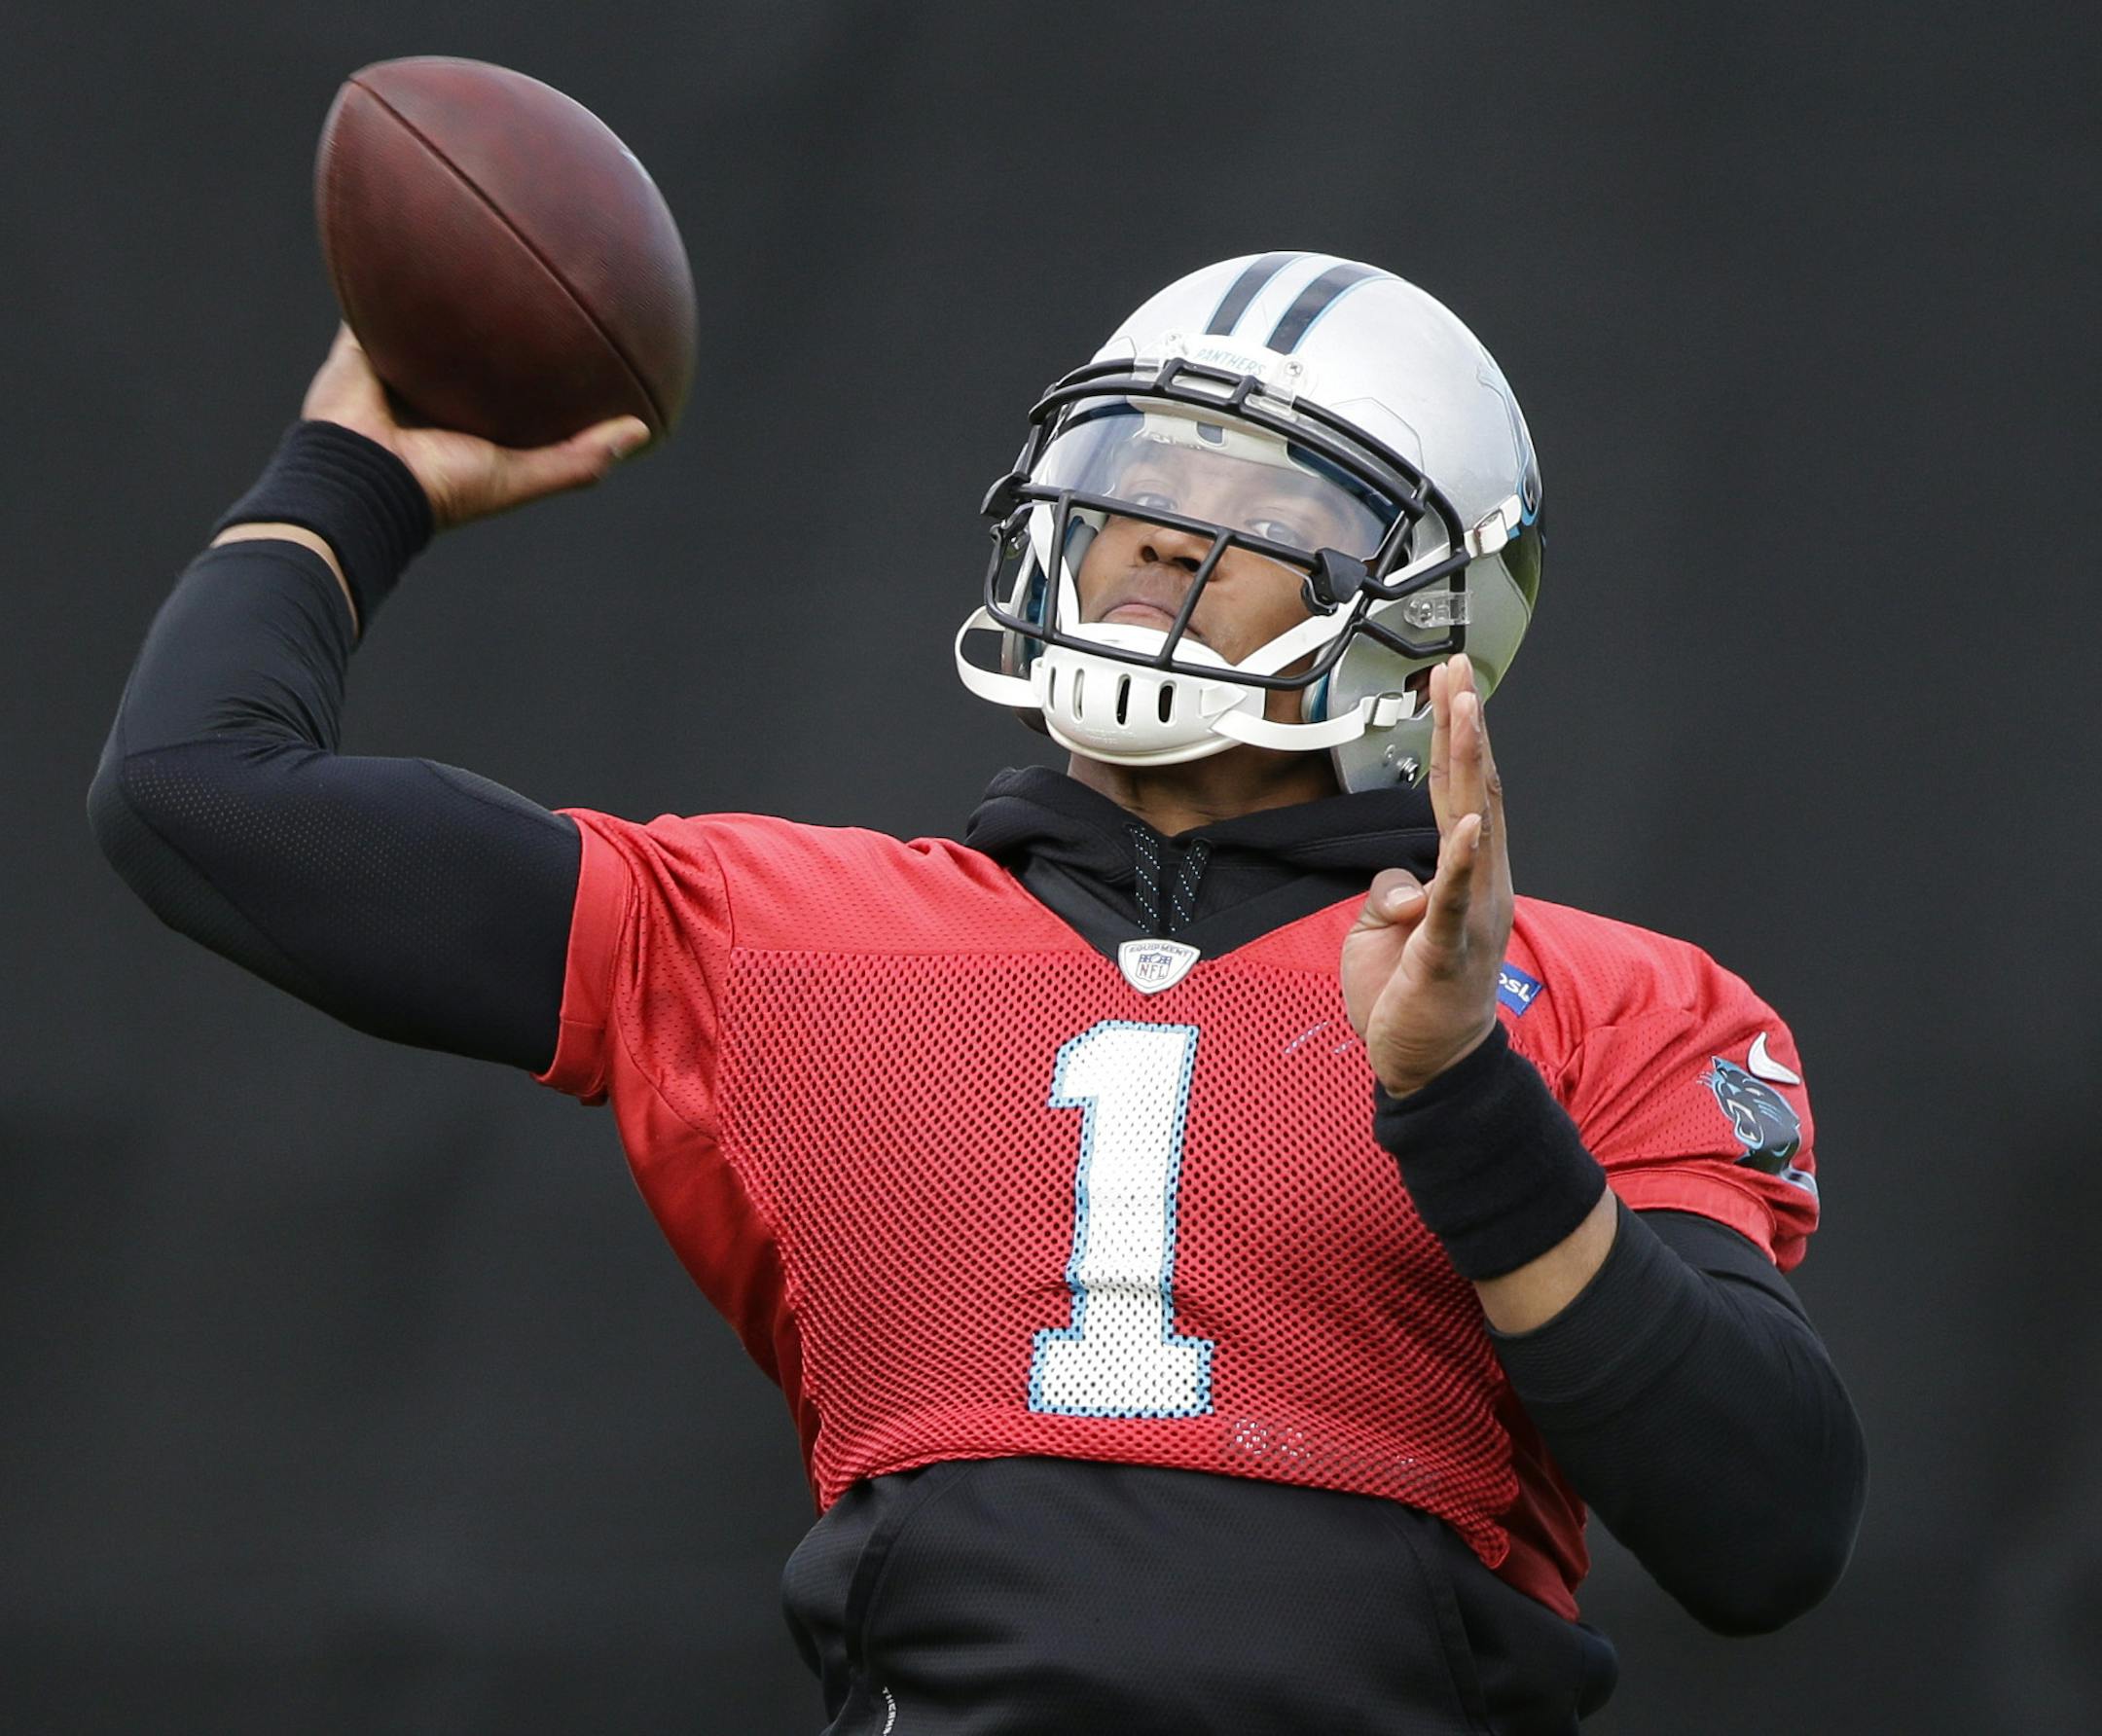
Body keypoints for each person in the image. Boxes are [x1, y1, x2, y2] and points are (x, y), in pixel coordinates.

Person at [90, 252, 1866, 1734]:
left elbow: (1766, 1532)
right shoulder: (765, 931)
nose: (1170, 533)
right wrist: (351, 478)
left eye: (1267, 502)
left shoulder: (1613, 1007)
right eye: (1143, 478)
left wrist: (1469, 1095)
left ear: (1434, 612)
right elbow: (197, 801)